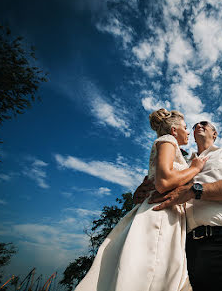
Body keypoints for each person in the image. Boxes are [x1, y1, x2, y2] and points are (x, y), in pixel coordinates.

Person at [75, 109, 208, 291]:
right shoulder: (167, 141)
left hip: (170, 217)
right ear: (174, 131)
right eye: (185, 128)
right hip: (159, 215)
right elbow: (164, 182)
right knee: (151, 273)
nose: (188, 133)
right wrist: (195, 169)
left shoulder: (175, 148)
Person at [134, 120, 222, 291]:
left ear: (214, 134)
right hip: (187, 254)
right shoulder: (183, 165)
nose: (198, 126)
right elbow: (163, 185)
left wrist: (194, 190)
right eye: (195, 125)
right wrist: (142, 191)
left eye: (204, 124)